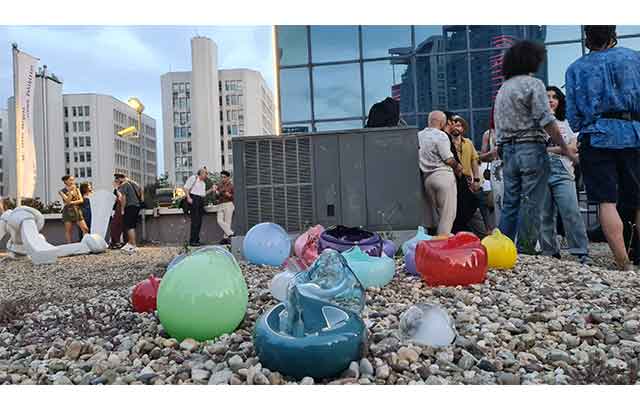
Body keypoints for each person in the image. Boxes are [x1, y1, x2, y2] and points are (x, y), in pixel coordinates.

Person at [566, 25, 640, 271]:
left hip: (596, 138)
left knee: (606, 201)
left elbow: (574, 119)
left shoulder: (576, 68)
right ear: (613, 35)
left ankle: (622, 262)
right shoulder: (634, 58)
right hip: (634, 133)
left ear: (587, 38)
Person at [494, 40, 576, 254]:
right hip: (531, 148)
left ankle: (502, 249)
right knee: (532, 203)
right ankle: (525, 251)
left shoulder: (503, 89)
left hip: (508, 151)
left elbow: (498, 125)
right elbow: (546, 119)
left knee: (510, 203)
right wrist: (565, 148)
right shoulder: (533, 84)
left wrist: (502, 147)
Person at [539, 86, 590, 263]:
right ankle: (549, 252)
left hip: (563, 169)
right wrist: (561, 149)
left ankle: (581, 251)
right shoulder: (535, 122)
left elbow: (573, 148)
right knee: (544, 214)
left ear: (560, 101)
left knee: (570, 211)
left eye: (554, 97)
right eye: (547, 97)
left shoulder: (567, 122)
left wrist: (549, 149)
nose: (551, 100)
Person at [418, 111, 464, 235]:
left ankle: (434, 242)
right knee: (447, 216)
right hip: (443, 177)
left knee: (435, 216)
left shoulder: (418, 135)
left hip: (427, 180)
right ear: (442, 122)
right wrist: (458, 167)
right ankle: (443, 244)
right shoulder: (441, 135)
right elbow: (448, 158)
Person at [479, 107, 504, 225]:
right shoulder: (488, 133)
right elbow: (482, 157)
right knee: (499, 202)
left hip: (514, 169)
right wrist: (492, 153)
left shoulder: (514, 130)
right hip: (497, 171)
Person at [184, 167, 215, 246]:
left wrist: (211, 189)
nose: (206, 175)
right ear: (200, 174)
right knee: (195, 221)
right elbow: (186, 188)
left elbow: (203, 194)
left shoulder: (203, 183)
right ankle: (192, 241)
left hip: (200, 200)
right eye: (205, 173)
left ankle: (197, 240)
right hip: (194, 199)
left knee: (199, 222)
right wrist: (188, 197)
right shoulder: (193, 178)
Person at [115, 173, 143, 253]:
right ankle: (130, 243)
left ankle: (133, 245)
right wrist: (141, 200)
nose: (116, 181)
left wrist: (122, 209)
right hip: (136, 206)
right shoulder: (133, 183)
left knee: (129, 226)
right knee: (132, 225)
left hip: (129, 206)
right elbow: (141, 190)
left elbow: (123, 198)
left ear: (120, 178)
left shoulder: (124, 185)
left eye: (117, 179)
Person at [59, 175, 89, 243]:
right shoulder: (61, 191)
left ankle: (84, 243)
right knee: (69, 230)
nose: (72, 182)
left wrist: (71, 202)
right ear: (65, 181)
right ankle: (69, 245)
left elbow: (81, 200)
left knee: (85, 229)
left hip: (77, 210)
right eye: (71, 180)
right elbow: (67, 201)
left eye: (73, 180)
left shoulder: (77, 189)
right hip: (67, 211)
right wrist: (70, 192)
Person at [215, 170, 236, 245]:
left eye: (224, 177)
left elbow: (234, 197)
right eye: (221, 177)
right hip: (220, 204)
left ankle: (225, 239)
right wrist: (216, 193)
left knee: (227, 222)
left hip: (229, 204)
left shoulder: (231, 186)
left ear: (228, 178)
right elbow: (216, 197)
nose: (222, 179)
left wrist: (229, 195)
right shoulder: (219, 185)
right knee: (219, 220)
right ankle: (231, 233)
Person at [109, 182, 125, 249]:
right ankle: (115, 242)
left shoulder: (119, 190)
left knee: (116, 226)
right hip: (116, 210)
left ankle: (116, 242)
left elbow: (119, 198)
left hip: (118, 210)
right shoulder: (117, 190)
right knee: (115, 226)